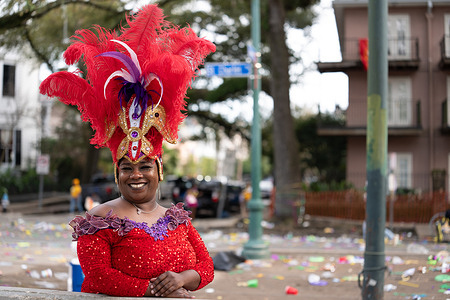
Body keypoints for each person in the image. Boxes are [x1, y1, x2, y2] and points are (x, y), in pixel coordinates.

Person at [40, 4, 215, 298]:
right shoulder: (99, 219)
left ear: (159, 169)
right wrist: (156, 291)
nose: (136, 174)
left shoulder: (176, 218)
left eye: (144, 166)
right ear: (116, 172)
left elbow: (206, 267)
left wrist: (180, 279)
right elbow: (98, 277)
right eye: (127, 167)